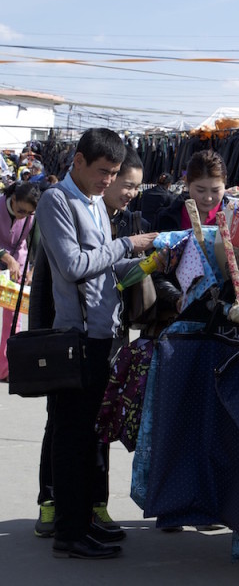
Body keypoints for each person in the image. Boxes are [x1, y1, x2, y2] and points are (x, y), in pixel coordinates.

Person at [34, 128, 157, 559]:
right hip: (77, 341)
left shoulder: (94, 204)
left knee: (90, 439)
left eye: (114, 173)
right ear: (78, 162)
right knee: (71, 438)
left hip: (103, 339)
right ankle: (69, 533)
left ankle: (84, 520)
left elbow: (106, 271)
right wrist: (127, 243)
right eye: (103, 172)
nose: (108, 181)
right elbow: (71, 266)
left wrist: (149, 262)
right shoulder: (57, 201)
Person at [0, 182, 39, 381]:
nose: (23, 215)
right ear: (12, 199)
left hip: (19, 263)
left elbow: (36, 243)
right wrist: (6, 257)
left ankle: (5, 368)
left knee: (13, 317)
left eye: (28, 213)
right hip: (6, 260)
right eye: (20, 210)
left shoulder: (32, 217)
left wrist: (32, 269)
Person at [155, 150, 229, 232]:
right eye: (200, 190)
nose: (208, 198)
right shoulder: (167, 218)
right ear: (186, 182)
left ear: (225, 184)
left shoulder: (235, 218)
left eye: (215, 190)